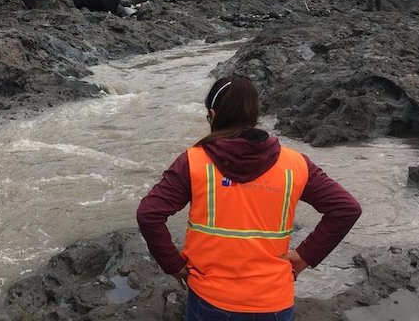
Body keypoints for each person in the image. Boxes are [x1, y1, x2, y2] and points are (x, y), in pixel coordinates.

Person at [137, 76, 362, 320]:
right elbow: (346, 209)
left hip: (211, 299)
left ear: (212, 115)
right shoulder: (295, 164)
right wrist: (306, 255)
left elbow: (149, 214)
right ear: (254, 115)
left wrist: (173, 264)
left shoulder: (192, 161)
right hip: (274, 302)